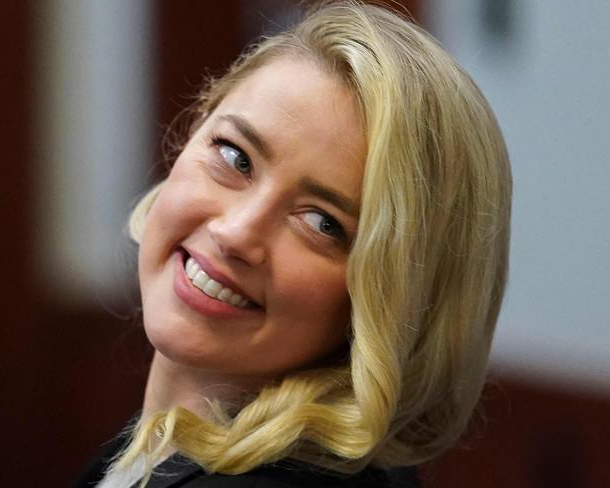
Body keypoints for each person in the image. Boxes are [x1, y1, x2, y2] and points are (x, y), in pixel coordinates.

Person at [75, 1, 511, 487]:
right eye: (235, 157)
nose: (237, 233)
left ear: (393, 298)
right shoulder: (156, 450)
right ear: (193, 130)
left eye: (323, 223)